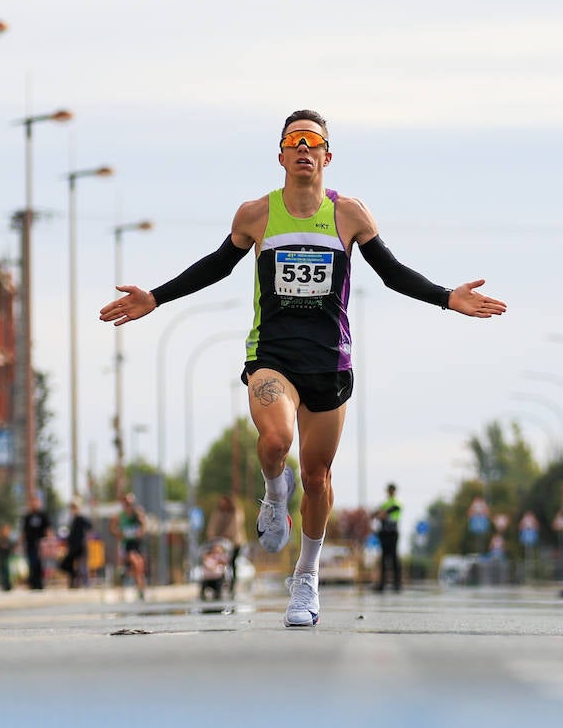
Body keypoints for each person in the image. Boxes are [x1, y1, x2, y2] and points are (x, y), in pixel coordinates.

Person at [98, 110, 506, 627]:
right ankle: (273, 496)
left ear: (327, 156)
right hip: (272, 356)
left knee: (316, 477)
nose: (304, 149)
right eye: (294, 141)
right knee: (275, 440)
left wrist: (447, 297)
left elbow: (391, 273)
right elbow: (216, 266)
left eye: (313, 141)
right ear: (282, 156)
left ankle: (305, 578)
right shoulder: (256, 214)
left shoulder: (349, 214)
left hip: (328, 362)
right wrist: (155, 297)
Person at [207, 494, 246, 597]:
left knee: (232, 563)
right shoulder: (217, 513)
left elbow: (235, 526)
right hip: (220, 543)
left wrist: (227, 534)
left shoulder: (235, 513)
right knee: (219, 562)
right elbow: (212, 526)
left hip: (234, 543)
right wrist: (212, 537)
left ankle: (232, 585)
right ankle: (218, 582)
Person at [113, 493, 149, 599]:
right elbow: (112, 528)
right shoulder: (120, 516)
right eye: (127, 504)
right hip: (127, 544)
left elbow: (144, 526)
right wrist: (119, 533)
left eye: (131, 504)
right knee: (135, 562)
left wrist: (140, 532)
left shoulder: (137, 514)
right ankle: (128, 577)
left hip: (137, 543)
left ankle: (140, 588)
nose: (129, 506)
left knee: (140, 566)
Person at [373, 483, 403, 592]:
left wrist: (382, 513)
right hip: (384, 532)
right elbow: (376, 513)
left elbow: (393, 509)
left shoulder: (396, 503)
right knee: (384, 559)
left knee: (394, 558)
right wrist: (378, 513)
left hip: (392, 532)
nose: (390, 492)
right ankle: (382, 584)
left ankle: (397, 584)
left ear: (394, 491)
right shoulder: (385, 503)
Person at [21, 494, 52, 591]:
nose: (33, 504)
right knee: (32, 563)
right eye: (31, 502)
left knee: (40, 564)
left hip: (41, 544)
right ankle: (33, 583)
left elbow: (48, 529)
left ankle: (40, 583)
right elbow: (24, 532)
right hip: (30, 544)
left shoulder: (43, 515)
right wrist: (20, 543)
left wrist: (50, 541)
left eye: (35, 501)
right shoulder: (27, 517)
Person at [60, 500, 92, 588]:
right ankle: (75, 581)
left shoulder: (81, 519)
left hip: (80, 546)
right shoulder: (72, 520)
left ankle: (85, 584)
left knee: (82, 565)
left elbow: (89, 527)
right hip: (73, 547)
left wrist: (85, 538)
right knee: (69, 565)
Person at [0, 523, 16, 591]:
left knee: (9, 572)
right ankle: (3, 585)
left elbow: (12, 548)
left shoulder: (9, 540)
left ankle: (9, 585)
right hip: (1, 558)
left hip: (8, 558)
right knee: (2, 572)